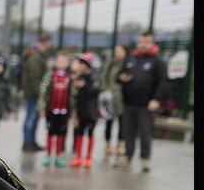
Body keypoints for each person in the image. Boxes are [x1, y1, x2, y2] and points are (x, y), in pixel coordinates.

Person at [115, 32, 170, 172]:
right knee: (128, 132)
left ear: (152, 44)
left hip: (146, 105)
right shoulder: (131, 59)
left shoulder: (157, 62)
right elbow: (118, 76)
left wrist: (156, 99)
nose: (143, 44)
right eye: (140, 42)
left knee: (145, 133)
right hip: (129, 103)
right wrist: (121, 77)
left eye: (146, 42)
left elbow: (163, 82)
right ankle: (128, 157)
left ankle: (145, 159)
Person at [37, 52, 73, 167]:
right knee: (50, 132)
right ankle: (48, 155)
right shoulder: (50, 75)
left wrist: (72, 111)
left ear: (68, 63)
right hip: (51, 110)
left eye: (64, 61)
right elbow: (43, 92)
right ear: (55, 62)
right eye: (60, 61)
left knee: (61, 134)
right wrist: (42, 107)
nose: (62, 63)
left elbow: (72, 95)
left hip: (64, 111)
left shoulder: (69, 77)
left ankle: (58, 156)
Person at [69, 52, 102, 167]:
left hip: (91, 112)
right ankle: (78, 157)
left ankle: (88, 157)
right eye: (80, 63)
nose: (81, 66)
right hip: (80, 111)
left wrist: (84, 87)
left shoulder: (95, 76)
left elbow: (95, 91)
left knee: (90, 134)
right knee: (79, 133)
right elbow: (75, 94)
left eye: (83, 63)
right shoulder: (79, 77)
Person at [21, 33, 52, 152]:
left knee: (34, 118)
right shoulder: (35, 56)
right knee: (31, 118)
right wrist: (41, 94)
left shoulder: (38, 55)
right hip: (34, 94)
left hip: (34, 92)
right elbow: (35, 78)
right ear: (46, 42)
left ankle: (32, 141)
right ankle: (27, 142)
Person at [100, 44, 128, 161]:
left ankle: (119, 145)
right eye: (116, 51)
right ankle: (108, 144)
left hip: (123, 99)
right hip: (110, 99)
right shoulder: (110, 65)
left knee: (123, 123)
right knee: (108, 123)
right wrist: (105, 90)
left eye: (120, 51)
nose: (117, 53)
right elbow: (103, 78)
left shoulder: (128, 65)